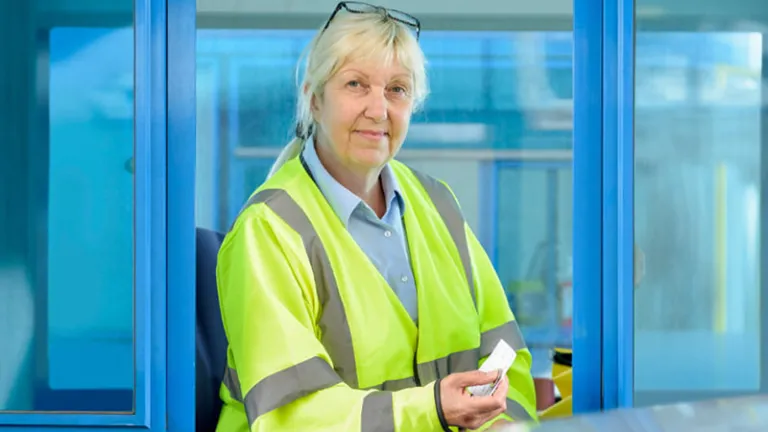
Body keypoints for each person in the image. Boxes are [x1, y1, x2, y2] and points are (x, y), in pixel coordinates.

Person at [215, 2, 538, 431]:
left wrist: (505, 423)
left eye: (397, 89)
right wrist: (433, 411)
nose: (379, 109)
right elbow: (290, 417)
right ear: (314, 100)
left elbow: (504, 352)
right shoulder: (269, 230)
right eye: (355, 84)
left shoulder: (437, 203)